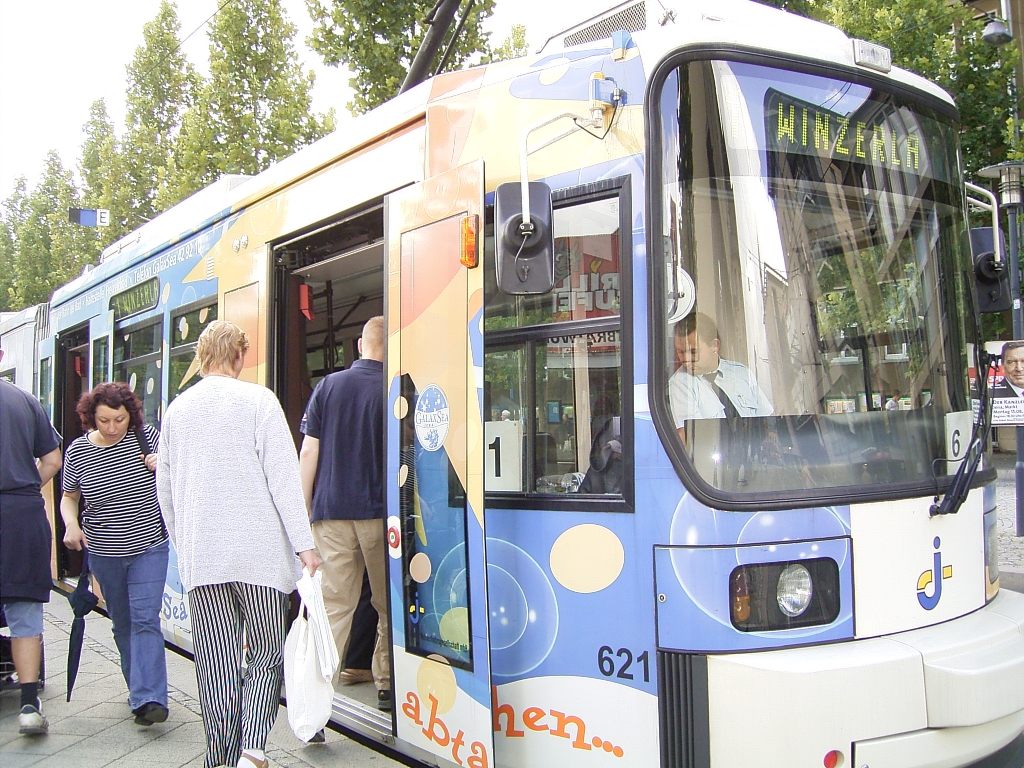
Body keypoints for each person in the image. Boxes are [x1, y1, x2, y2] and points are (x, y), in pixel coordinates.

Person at [157, 321, 320, 768]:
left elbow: (164, 490)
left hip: (203, 558)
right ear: (238, 356)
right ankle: (252, 746)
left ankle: (219, 757)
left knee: (215, 662)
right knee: (266, 653)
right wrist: (304, 546)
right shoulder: (259, 402)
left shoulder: (177, 411)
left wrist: (183, 545)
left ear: (203, 356)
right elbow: (284, 482)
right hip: (262, 557)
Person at [61, 382, 169, 726]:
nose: (112, 428)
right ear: (91, 418)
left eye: (119, 420)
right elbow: (69, 497)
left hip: (149, 546)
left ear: (130, 416)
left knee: (145, 618)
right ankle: (138, 690)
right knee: (122, 622)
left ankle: (149, 697)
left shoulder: (146, 436)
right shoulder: (77, 451)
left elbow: (178, 477)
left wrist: (162, 466)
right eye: (104, 421)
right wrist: (71, 526)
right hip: (105, 554)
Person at [298, 316, 391, 711]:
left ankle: (317, 702)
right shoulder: (395, 389)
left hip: (330, 512)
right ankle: (386, 683)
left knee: (334, 606)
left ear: (359, 345)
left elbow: (308, 452)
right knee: (386, 603)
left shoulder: (328, 386)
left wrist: (302, 512)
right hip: (377, 513)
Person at [0, 344, 61, 736]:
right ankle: (27, 705)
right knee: (24, 612)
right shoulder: (24, 400)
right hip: (20, 516)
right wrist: (24, 488)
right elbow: (54, 459)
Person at [669, 312, 773, 424]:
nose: (686, 359)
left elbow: (767, 420)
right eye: (680, 352)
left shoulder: (741, 372)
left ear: (715, 345)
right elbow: (688, 436)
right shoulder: (680, 384)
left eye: (693, 351)